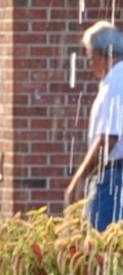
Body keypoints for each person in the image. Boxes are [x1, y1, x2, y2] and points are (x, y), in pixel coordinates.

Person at [66, 20, 123, 229]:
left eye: (90, 57)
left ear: (102, 54)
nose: (90, 64)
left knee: (100, 241)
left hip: (114, 177)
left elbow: (108, 138)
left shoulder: (116, 80)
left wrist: (79, 178)